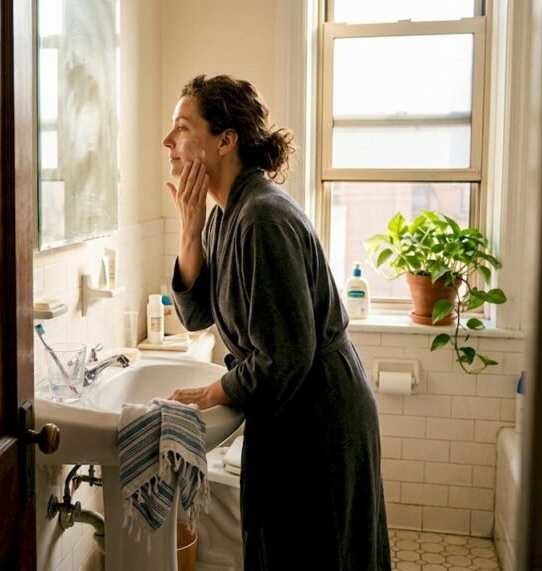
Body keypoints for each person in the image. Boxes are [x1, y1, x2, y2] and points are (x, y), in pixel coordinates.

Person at [164, 74, 391, 570]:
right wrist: (189, 229)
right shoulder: (226, 214)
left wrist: (216, 390)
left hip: (318, 415)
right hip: (290, 408)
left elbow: (285, 355)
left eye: (182, 127)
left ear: (225, 140)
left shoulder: (263, 218)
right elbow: (196, 315)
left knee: (315, 556)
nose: (167, 142)